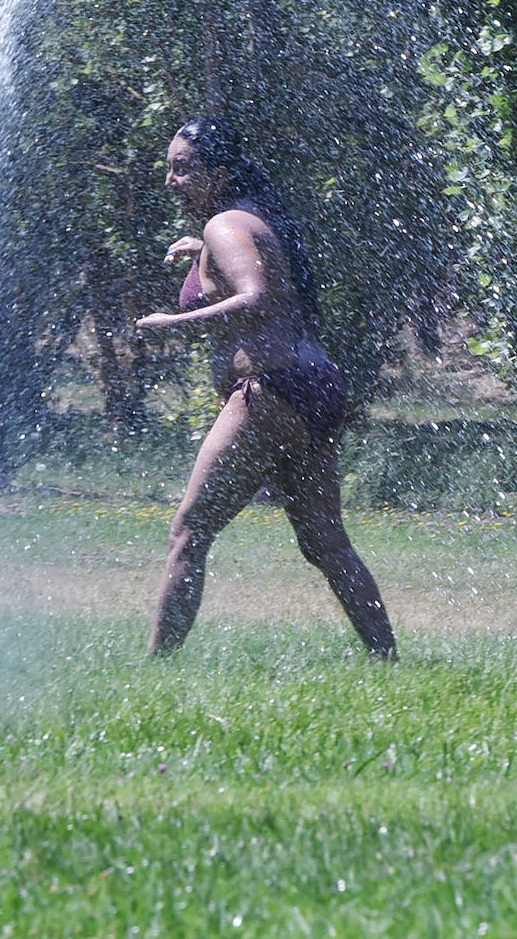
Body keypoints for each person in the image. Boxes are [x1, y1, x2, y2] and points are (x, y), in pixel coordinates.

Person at [136, 117, 397, 658]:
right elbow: (262, 268)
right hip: (316, 387)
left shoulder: (226, 225)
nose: (170, 180)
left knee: (190, 529)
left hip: (270, 390)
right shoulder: (251, 215)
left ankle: (156, 668)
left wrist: (171, 322)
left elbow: (256, 298)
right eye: (169, 168)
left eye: (183, 169)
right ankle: (387, 659)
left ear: (219, 173)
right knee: (325, 541)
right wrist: (203, 253)